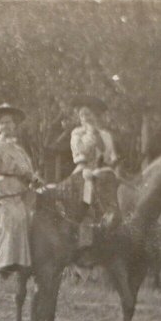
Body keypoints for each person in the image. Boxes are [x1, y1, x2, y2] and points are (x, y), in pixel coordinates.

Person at [0, 103, 38, 277]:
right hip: (3, 190)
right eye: (3, 123)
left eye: (10, 122)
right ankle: (4, 262)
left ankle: (32, 259)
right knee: (13, 217)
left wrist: (34, 178)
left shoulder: (19, 149)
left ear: (15, 125)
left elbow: (27, 171)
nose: (7, 126)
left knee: (38, 215)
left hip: (22, 189)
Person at [70, 95, 119, 247]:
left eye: (89, 114)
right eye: (83, 114)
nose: (86, 117)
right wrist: (90, 133)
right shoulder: (77, 133)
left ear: (96, 115)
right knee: (87, 196)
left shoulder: (105, 135)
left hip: (104, 172)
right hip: (84, 171)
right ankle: (85, 242)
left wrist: (112, 164)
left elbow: (111, 156)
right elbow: (80, 152)